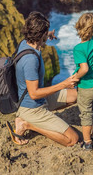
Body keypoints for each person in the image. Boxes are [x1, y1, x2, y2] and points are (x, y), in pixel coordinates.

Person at [6, 11, 79, 146]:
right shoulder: (30, 60)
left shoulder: (25, 43)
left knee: (76, 95)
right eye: (46, 33)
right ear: (41, 35)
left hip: (40, 101)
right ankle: (27, 124)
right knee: (72, 140)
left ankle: (44, 120)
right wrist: (64, 84)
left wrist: (48, 35)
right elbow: (34, 93)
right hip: (32, 108)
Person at [73, 12, 93, 150]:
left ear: (79, 26)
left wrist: (75, 77)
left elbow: (84, 69)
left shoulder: (78, 49)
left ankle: (87, 142)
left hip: (86, 86)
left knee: (86, 114)